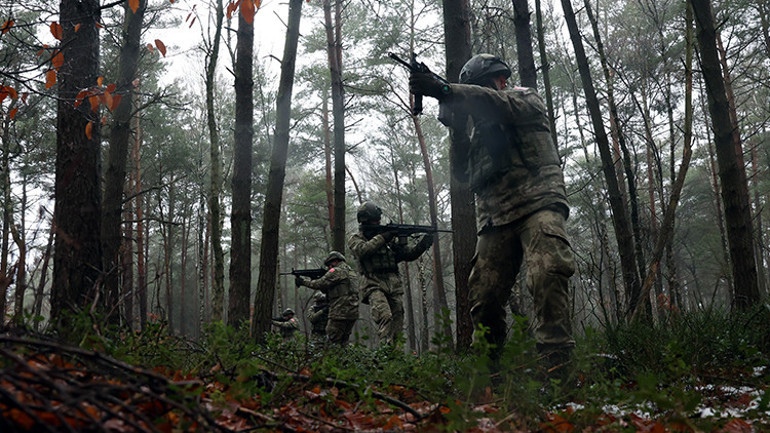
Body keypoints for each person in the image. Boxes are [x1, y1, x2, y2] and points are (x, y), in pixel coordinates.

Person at [409, 54, 576, 365]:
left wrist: (446, 91)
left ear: (500, 81)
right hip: (496, 218)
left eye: (484, 88)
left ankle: (556, 366)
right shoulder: (477, 134)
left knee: (547, 272)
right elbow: (462, 174)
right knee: (483, 295)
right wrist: (458, 131)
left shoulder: (525, 99)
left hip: (538, 203)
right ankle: (489, 373)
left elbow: (494, 103)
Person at [348, 202, 433, 347]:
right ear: (366, 220)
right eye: (376, 220)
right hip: (372, 283)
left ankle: (395, 355)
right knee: (385, 316)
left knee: (398, 318)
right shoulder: (356, 238)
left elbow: (407, 255)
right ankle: (385, 355)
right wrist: (384, 237)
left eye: (379, 219)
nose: (379, 222)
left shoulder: (388, 240)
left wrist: (423, 244)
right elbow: (362, 250)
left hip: (393, 284)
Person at [297, 251, 359, 345]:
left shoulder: (337, 271)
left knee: (332, 341)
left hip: (339, 311)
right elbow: (330, 289)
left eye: (330, 265)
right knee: (343, 341)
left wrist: (303, 282)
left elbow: (319, 284)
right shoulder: (351, 272)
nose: (329, 267)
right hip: (352, 312)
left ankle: (333, 359)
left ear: (336, 261)